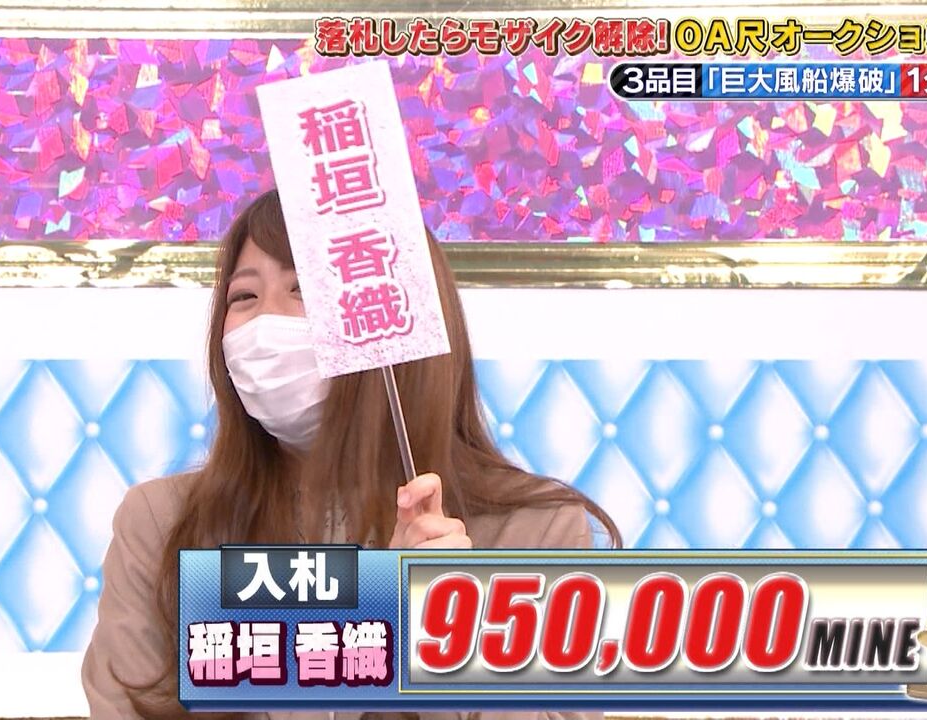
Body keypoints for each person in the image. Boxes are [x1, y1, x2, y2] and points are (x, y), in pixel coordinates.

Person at [82, 189, 620, 720]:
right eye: (243, 297)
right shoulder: (161, 524)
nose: (266, 323)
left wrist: (434, 634)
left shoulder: (536, 531)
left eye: (304, 291)